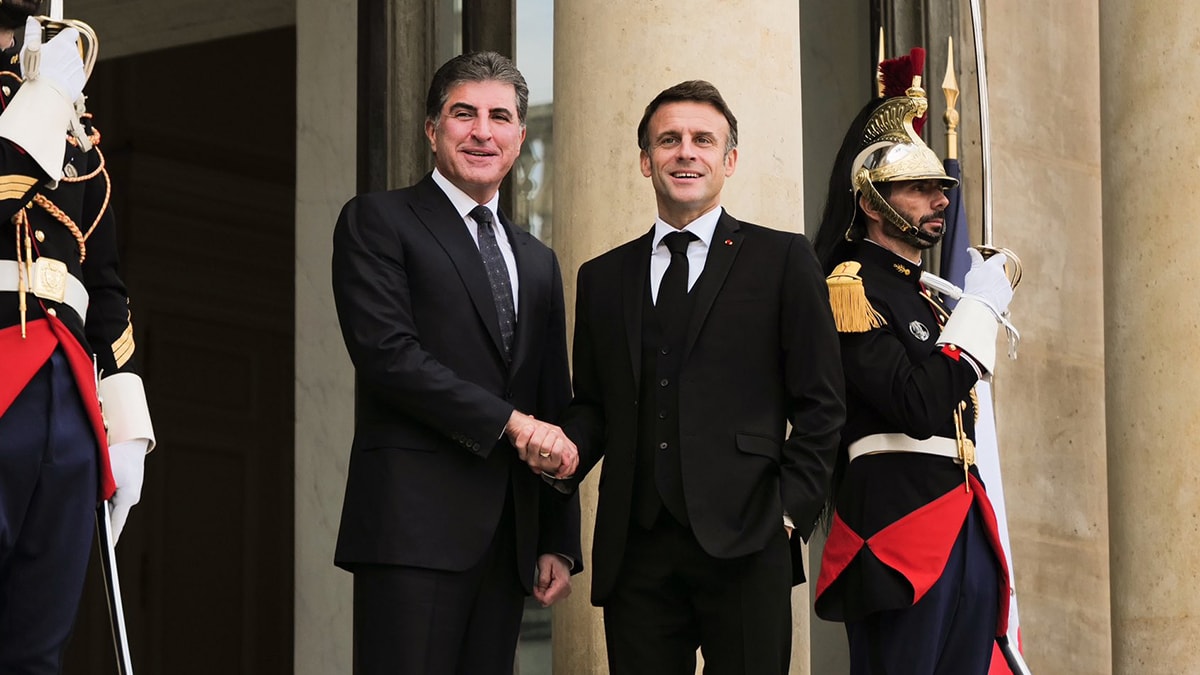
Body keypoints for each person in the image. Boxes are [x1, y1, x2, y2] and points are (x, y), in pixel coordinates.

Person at [547, 80, 845, 674]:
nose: (686, 152)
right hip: (636, 553)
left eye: (703, 140)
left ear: (729, 161)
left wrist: (788, 514)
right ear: (646, 161)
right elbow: (595, 406)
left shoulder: (783, 260)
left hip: (749, 539)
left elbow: (822, 404)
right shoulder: (601, 277)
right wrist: (563, 449)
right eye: (669, 140)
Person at [330, 51, 582, 675]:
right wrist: (512, 425)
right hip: (411, 529)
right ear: (431, 129)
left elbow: (552, 398)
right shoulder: (378, 220)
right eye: (463, 114)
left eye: (500, 118)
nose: (482, 132)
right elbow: (389, 356)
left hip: (508, 537)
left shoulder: (538, 260)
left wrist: (557, 538)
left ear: (519, 138)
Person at [810, 60, 1015, 674]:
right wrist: (978, 313)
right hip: (896, 531)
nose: (941, 200)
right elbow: (918, 405)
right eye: (920, 188)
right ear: (873, 202)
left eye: (941, 188)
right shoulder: (849, 287)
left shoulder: (931, 299)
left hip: (965, 519)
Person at [0, 7, 154, 673]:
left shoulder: (65, 119)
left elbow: (104, 281)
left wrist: (127, 426)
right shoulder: (44, 102)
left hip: (65, 399)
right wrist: (43, 98)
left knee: (36, 650)